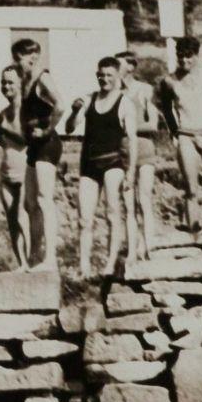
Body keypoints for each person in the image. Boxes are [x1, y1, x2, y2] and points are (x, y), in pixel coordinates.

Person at [66, 56, 136, 277]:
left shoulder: (124, 102)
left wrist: (131, 171)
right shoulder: (89, 99)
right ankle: (84, 267)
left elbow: (132, 139)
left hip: (113, 162)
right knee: (84, 218)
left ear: (117, 77)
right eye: (101, 75)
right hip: (89, 164)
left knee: (112, 213)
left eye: (109, 76)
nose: (104, 79)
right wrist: (75, 111)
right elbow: (69, 128)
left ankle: (110, 263)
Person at [156, 37, 202, 233]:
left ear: (197, 55)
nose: (184, 60)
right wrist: (174, 133)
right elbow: (167, 110)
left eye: (189, 56)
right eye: (180, 56)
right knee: (191, 189)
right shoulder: (169, 81)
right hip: (186, 134)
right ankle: (194, 231)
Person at [14, 38, 67, 272]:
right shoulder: (25, 81)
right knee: (30, 203)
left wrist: (48, 127)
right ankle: (34, 256)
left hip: (48, 143)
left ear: (33, 57)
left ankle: (51, 258)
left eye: (22, 59)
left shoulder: (42, 78)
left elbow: (61, 106)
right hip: (34, 146)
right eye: (16, 59)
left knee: (45, 199)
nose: (18, 63)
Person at [117, 51, 160, 260]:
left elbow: (153, 124)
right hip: (123, 151)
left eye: (120, 66)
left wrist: (129, 127)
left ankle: (148, 246)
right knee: (128, 204)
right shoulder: (114, 92)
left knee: (144, 199)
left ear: (131, 67)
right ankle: (132, 250)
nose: (116, 70)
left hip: (144, 149)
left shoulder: (144, 90)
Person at [0, 66, 30, 268]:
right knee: (12, 220)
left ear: (21, 84)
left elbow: (26, 140)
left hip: (24, 171)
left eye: (10, 82)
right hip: (6, 173)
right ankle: (22, 263)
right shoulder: (2, 115)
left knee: (22, 215)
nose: (6, 86)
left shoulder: (27, 111)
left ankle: (31, 262)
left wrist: (7, 132)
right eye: (3, 82)